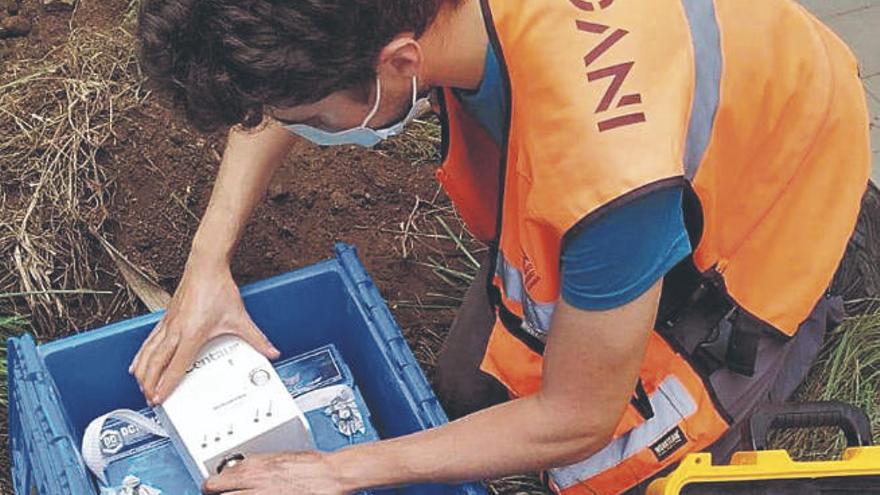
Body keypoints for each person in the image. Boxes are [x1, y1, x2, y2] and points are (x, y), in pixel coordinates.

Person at [129, 0, 875, 493]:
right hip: (674, 114)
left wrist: (338, 469)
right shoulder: (386, 21)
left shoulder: (608, 181)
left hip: (778, 179)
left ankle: (820, 298)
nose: (309, 128)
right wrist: (206, 269)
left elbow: (579, 414)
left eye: (314, 115)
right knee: (462, 392)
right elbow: (287, 79)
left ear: (397, 64)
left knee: (602, 465)